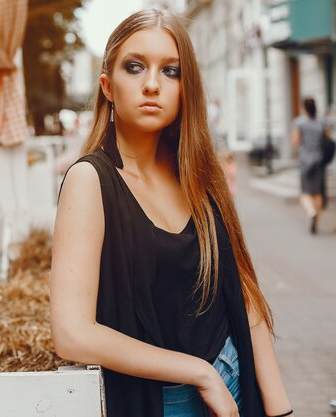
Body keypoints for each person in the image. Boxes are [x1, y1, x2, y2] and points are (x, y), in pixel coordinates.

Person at [50, 9, 293, 417]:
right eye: (135, 67)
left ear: (186, 88)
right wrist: (199, 373)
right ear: (108, 86)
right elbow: (72, 334)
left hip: (236, 383)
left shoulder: (196, 172)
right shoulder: (91, 180)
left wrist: (280, 407)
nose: (151, 85)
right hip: (167, 401)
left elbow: (242, 289)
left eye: (171, 71)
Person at [291, 97, 329, 234]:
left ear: (303, 108)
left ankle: (311, 211)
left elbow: (294, 142)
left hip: (305, 162)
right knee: (317, 193)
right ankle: (316, 223)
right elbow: (325, 139)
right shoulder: (321, 123)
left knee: (305, 193)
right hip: (318, 161)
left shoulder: (299, 123)